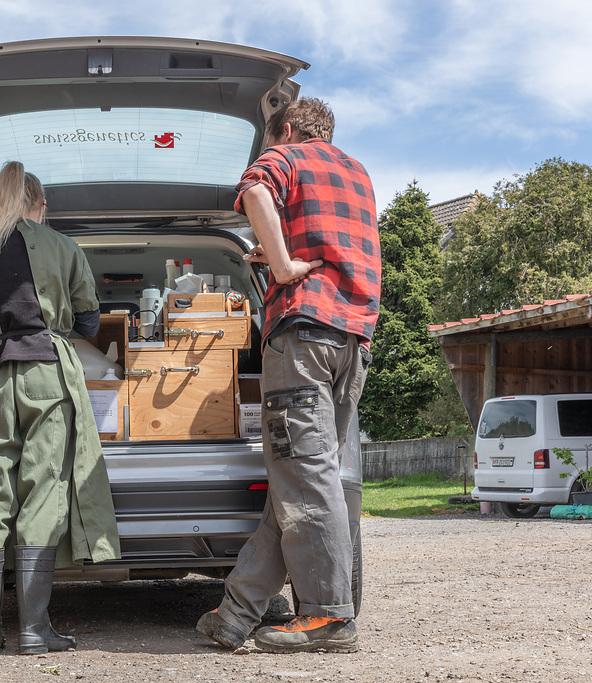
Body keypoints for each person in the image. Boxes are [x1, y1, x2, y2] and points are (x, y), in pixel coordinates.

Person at [196, 98, 380, 654]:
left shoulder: (288, 157)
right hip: (353, 338)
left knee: (305, 478)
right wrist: (279, 253)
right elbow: (327, 239)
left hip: (304, 336)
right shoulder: (356, 171)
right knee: (303, 477)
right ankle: (236, 612)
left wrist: (280, 268)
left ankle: (328, 616)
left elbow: (254, 190)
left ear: (289, 130)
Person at [0, 161, 120, 657]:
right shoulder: (64, 247)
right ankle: (34, 631)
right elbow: (89, 321)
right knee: (44, 491)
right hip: (49, 375)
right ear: (39, 205)